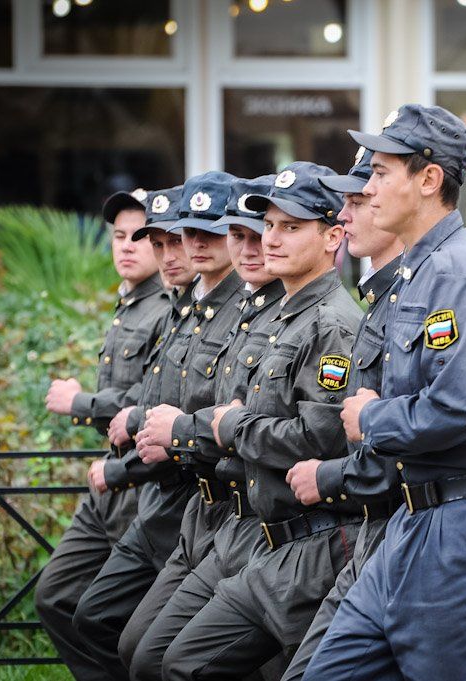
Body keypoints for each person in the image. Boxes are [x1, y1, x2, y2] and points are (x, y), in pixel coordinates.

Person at [304, 103, 466, 680]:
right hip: (420, 515)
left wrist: (375, 419)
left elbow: (464, 407)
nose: (369, 185)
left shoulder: (457, 272)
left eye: (383, 172)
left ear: (429, 179)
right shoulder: (423, 268)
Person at [158, 162, 364, 680]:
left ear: (332, 237)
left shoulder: (333, 324)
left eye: (290, 227)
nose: (271, 239)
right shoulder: (281, 314)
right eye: (268, 225)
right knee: (162, 659)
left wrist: (232, 428)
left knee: (185, 665)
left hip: (307, 541)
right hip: (252, 530)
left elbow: (319, 438)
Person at [72, 174, 247, 680]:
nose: (182, 251)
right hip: (170, 502)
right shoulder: (185, 309)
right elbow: (156, 405)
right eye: (168, 240)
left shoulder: (239, 310)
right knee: (106, 623)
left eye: (199, 236)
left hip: (204, 500)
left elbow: (219, 417)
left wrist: (129, 460)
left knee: (166, 654)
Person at [121, 176, 289, 680]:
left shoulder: (298, 317)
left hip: (261, 520)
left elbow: (273, 430)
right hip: (207, 507)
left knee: (172, 660)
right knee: (142, 650)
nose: (253, 247)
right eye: (239, 235)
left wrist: (180, 434)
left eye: (263, 233)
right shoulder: (241, 313)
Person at [280, 147, 404, 681]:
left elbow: (455, 418)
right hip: (369, 525)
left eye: (360, 197)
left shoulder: (419, 294)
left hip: (396, 526)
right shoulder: (381, 299)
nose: (347, 212)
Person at [35, 187, 169, 676]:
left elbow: (148, 400)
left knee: (123, 619)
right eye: (118, 236)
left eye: (140, 236)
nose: (127, 246)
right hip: (108, 482)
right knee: (56, 596)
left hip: (143, 480)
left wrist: (80, 403)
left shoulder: (167, 309)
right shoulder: (129, 303)